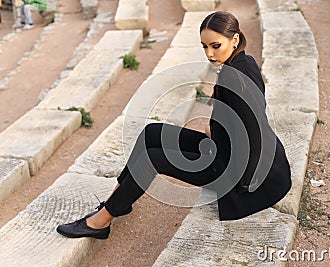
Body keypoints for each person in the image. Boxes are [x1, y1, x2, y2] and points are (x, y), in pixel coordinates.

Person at [56, 11, 292, 239]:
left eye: (215, 45)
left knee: (152, 158)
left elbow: (254, 132)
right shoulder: (242, 62)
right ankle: (116, 199)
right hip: (222, 149)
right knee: (152, 132)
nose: (209, 54)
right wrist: (215, 127)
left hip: (236, 172)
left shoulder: (235, 77)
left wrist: (245, 185)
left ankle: (100, 222)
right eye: (205, 46)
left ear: (235, 39)